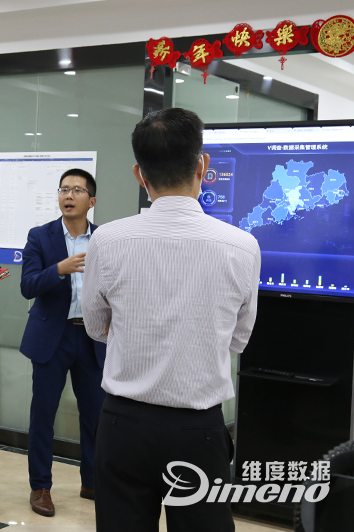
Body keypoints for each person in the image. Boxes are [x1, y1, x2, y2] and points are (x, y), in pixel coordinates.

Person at [80, 108, 260, 532]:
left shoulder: (107, 239)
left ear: (139, 174)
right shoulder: (242, 246)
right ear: (202, 166)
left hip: (123, 425)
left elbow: (94, 326)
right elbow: (238, 339)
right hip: (198, 430)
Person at [19, 168, 106, 516]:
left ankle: (93, 481)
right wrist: (59, 269)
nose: (68, 196)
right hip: (52, 338)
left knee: (96, 417)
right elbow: (27, 286)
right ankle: (40, 486)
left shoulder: (103, 240)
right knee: (43, 416)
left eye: (77, 190)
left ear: (91, 200)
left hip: (92, 337)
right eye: (63, 189)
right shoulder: (40, 236)